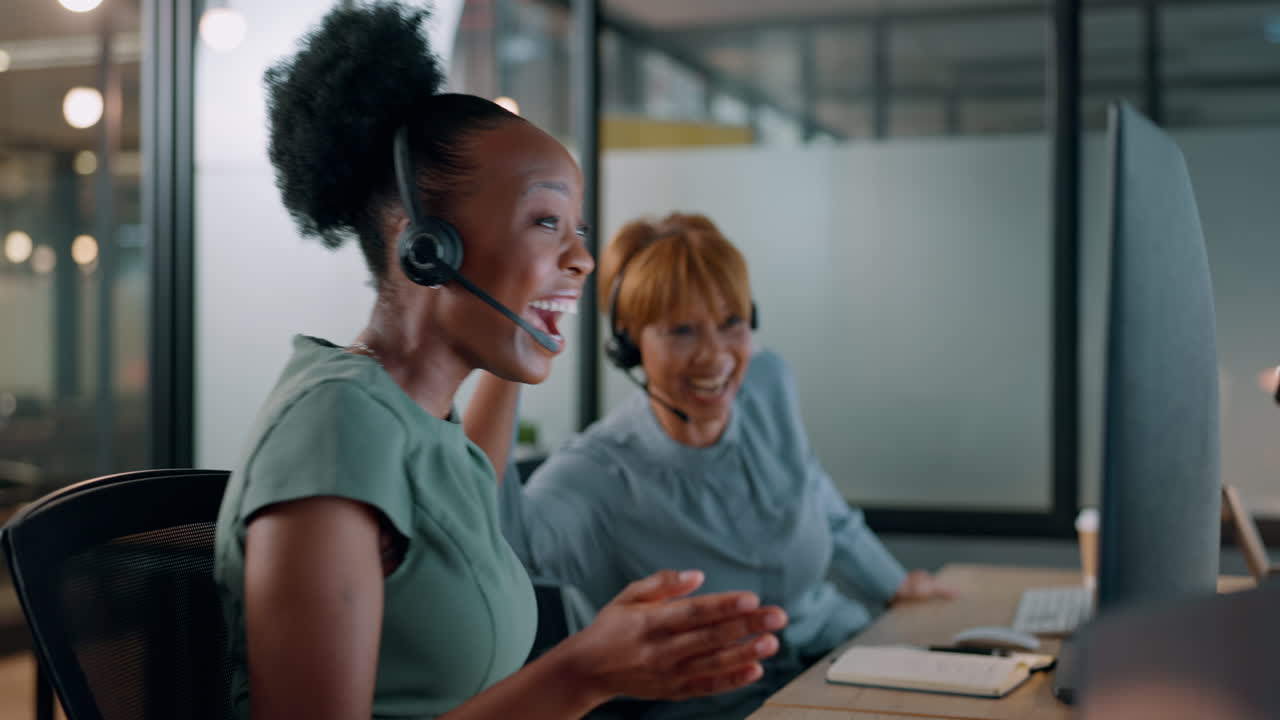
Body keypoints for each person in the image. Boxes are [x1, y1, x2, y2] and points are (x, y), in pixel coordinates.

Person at [212, 5, 788, 720]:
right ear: (423, 242)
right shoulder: (334, 426)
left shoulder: (425, 425)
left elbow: (475, 483)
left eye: (577, 231)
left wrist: (519, 332)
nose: (581, 259)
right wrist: (581, 672)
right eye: (547, 221)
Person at [471, 213, 958, 719]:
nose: (715, 357)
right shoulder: (595, 474)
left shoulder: (766, 383)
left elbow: (816, 496)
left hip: (836, 665)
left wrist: (896, 584)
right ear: (630, 343)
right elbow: (496, 544)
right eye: (681, 330)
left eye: (732, 323)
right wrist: (512, 351)